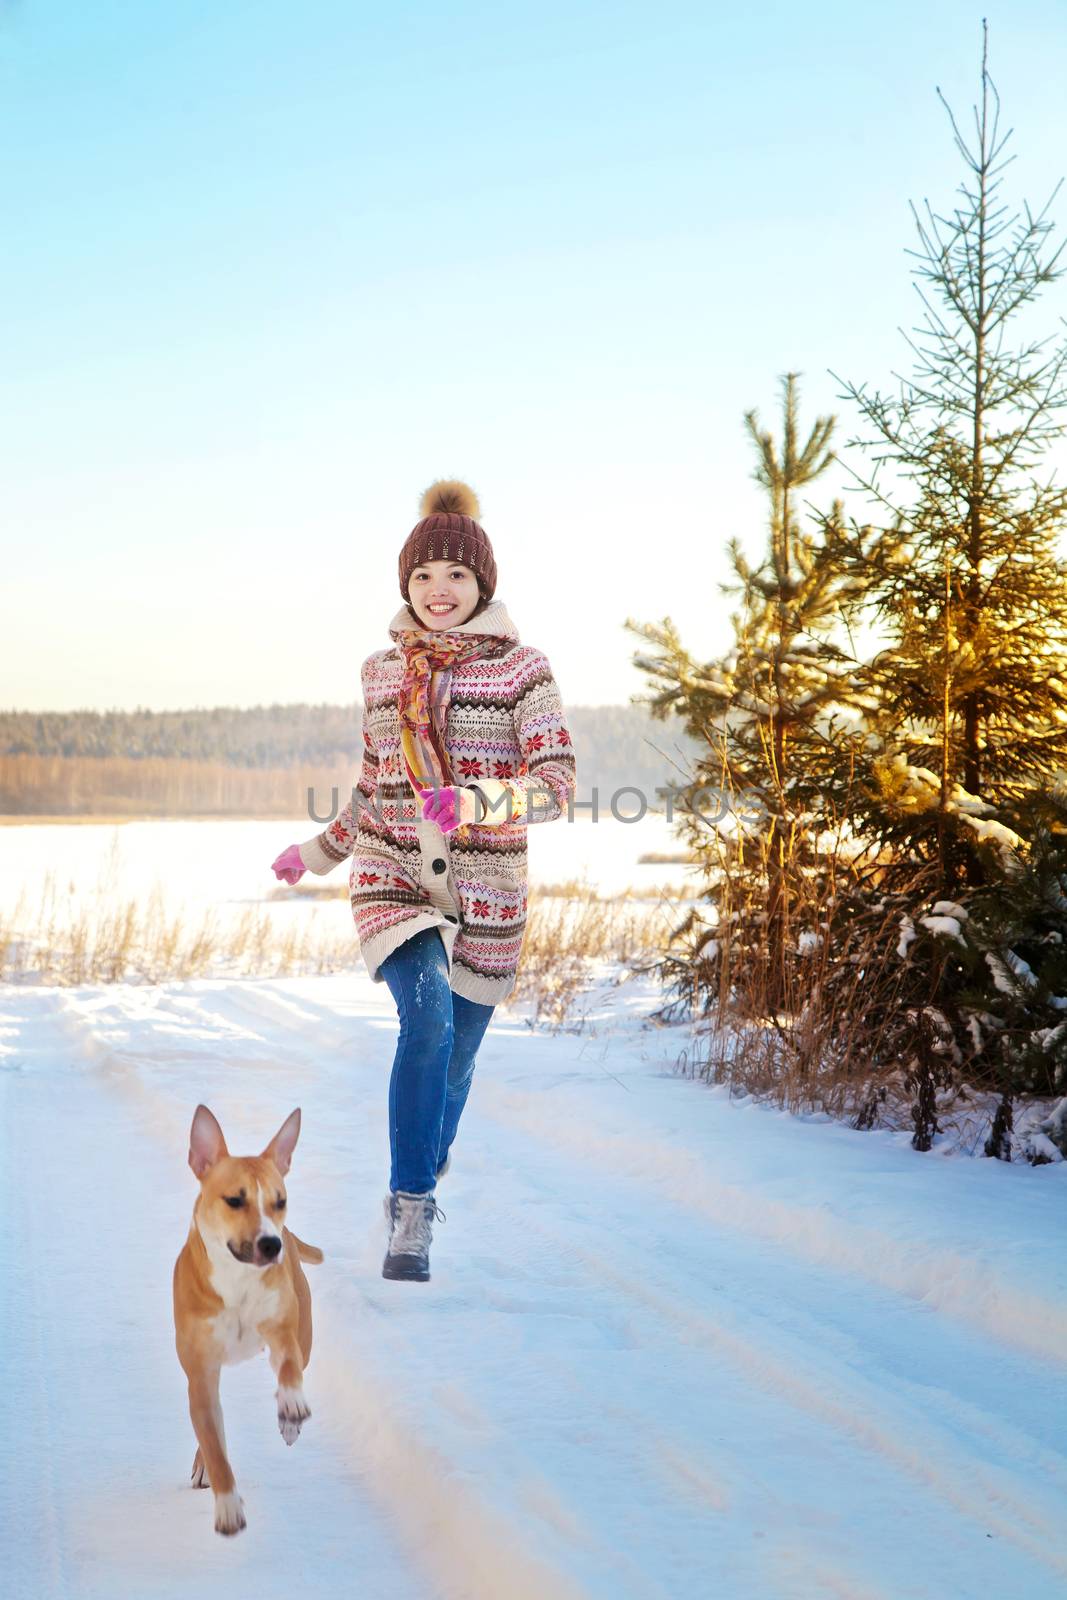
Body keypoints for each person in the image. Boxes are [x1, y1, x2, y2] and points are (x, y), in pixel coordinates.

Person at [271, 480, 577, 1282]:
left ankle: (425, 1159)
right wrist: (319, 851)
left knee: (458, 1058)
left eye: (455, 577)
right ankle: (411, 1210)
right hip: (393, 869)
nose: (438, 593)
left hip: (488, 887)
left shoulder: (522, 669)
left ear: (483, 585)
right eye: (422, 578)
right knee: (428, 1021)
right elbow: (374, 782)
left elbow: (555, 784)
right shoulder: (381, 672)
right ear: (404, 586)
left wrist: (479, 798)